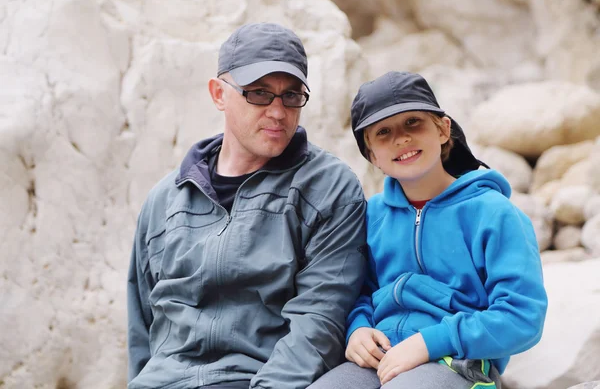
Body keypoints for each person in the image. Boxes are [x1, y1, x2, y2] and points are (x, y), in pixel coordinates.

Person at [126, 22, 367, 389]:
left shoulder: (329, 188)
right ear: (219, 94)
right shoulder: (164, 200)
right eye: (258, 93)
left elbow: (320, 320)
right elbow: (142, 324)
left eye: (291, 96)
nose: (277, 111)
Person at [308, 71, 548, 389]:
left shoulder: (494, 213)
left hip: (458, 361)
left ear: (443, 129)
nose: (402, 138)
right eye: (383, 132)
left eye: (413, 122)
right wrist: (358, 329)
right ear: (372, 156)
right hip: (380, 356)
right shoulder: (373, 215)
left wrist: (428, 343)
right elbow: (358, 292)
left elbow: (523, 315)